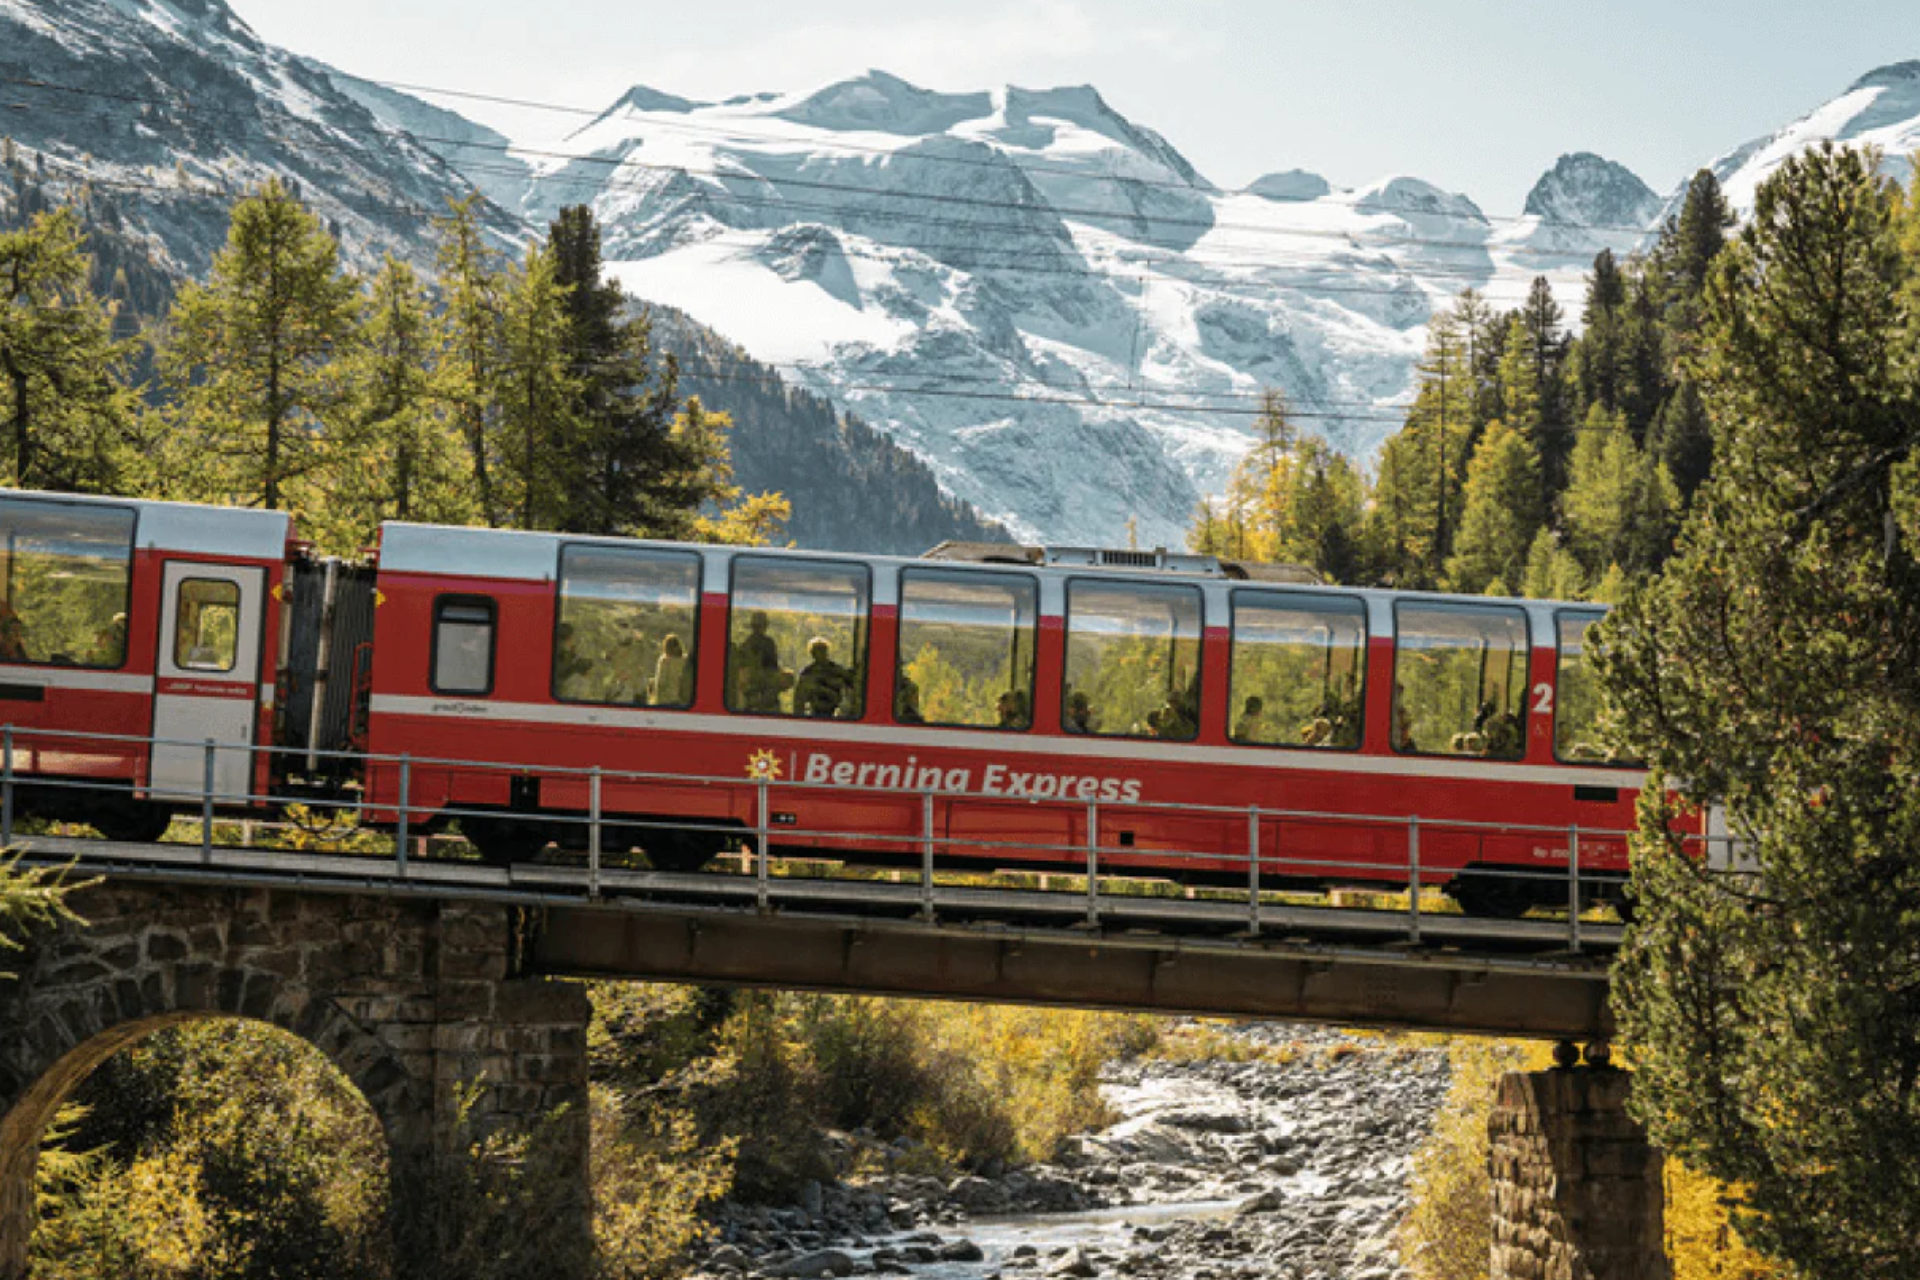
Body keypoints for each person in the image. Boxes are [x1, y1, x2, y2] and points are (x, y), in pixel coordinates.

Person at [734, 610, 784, 713]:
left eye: (760, 626)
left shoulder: (769, 643)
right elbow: (742, 675)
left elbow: (773, 668)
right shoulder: (745, 647)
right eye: (757, 626)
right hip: (750, 694)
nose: (759, 629)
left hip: (768, 693)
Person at [792, 636, 854, 718]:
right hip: (815, 710)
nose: (821, 654)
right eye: (817, 651)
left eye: (823, 651)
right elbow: (799, 697)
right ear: (813, 654)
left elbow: (850, 681)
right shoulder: (808, 672)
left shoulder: (836, 670)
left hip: (833, 710)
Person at [651, 633, 692, 706]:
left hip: (667, 700)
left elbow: (660, 682)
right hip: (683, 701)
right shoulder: (686, 661)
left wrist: (656, 699)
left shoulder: (665, 661)